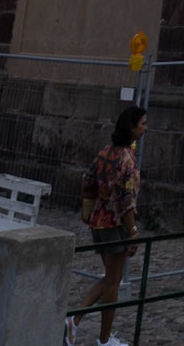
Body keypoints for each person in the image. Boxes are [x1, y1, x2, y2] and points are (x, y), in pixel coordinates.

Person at [67, 105, 147, 346]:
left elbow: (88, 179)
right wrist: (132, 232)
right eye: (142, 124)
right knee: (113, 282)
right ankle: (103, 340)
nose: (145, 128)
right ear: (131, 128)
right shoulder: (126, 161)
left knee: (112, 277)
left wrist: (89, 208)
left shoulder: (105, 153)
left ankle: (73, 321)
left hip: (98, 223)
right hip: (115, 225)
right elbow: (126, 201)